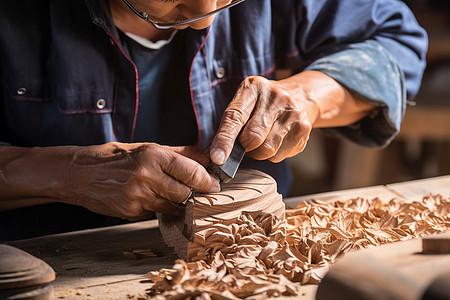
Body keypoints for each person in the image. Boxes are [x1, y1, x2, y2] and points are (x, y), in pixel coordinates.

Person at [0, 0, 427, 240]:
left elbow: (394, 40)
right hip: (44, 253)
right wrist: (65, 173)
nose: (205, 16)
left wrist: (307, 96)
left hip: (245, 253)